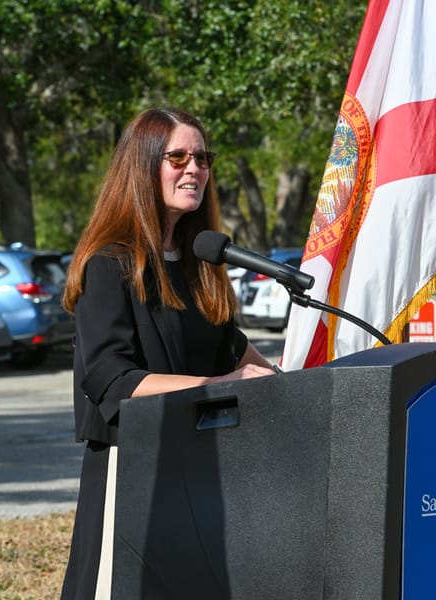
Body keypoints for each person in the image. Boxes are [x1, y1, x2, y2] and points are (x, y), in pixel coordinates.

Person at [59, 107, 275, 599]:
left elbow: (234, 353)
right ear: (143, 165)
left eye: (201, 157)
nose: (194, 168)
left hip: (201, 466)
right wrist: (221, 388)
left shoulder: (201, 262)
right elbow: (114, 383)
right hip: (133, 466)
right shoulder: (109, 264)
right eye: (177, 157)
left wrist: (290, 381)